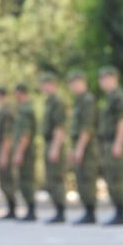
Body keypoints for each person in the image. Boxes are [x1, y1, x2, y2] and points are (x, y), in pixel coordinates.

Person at [98, 66, 123, 226]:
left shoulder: (119, 96)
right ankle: (118, 212)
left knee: (117, 179)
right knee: (112, 179)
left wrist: (118, 143)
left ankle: (121, 213)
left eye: (106, 79)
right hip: (108, 142)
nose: (103, 82)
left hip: (115, 141)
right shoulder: (110, 97)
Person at [67, 70, 100, 225]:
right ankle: (87, 211)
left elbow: (87, 127)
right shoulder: (79, 100)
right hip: (80, 144)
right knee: (81, 178)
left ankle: (91, 212)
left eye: (75, 83)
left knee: (87, 178)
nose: (72, 86)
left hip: (87, 147)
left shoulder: (87, 100)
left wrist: (79, 149)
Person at [40, 74, 69, 224]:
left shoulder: (57, 102)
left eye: (45, 83)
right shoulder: (49, 102)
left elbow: (60, 127)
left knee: (56, 179)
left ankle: (61, 211)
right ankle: (58, 210)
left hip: (54, 143)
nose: (42, 87)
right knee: (51, 180)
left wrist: (55, 147)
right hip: (49, 143)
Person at [11, 83, 38, 222]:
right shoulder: (22, 109)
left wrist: (19, 152)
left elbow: (26, 134)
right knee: (23, 180)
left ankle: (32, 210)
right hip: (23, 150)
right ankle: (29, 210)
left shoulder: (26, 110)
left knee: (27, 180)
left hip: (26, 151)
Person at [0, 86, 19, 219]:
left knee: (8, 179)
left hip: (7, 150)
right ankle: (11, 208)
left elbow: (7, 135)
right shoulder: (4, 110)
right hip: (5, 149)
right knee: (4, 180)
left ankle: (12, 208)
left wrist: (4, 154)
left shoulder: (7, 111)